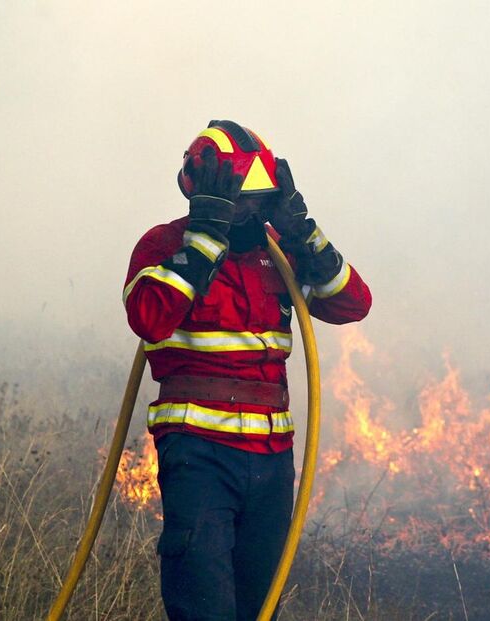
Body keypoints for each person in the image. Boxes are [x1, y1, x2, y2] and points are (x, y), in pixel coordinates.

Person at [123, 120, 371, 620]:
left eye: (261, 197)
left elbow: (353, 304)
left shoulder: (278, 252)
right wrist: (205, 242)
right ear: (205, 193)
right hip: (200, 456)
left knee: (260, 606)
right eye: (240, 196)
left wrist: (305, 232)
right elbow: (148, 318)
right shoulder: (164, 247)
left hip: (273, 460)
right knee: (204, 602)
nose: (252, 209)